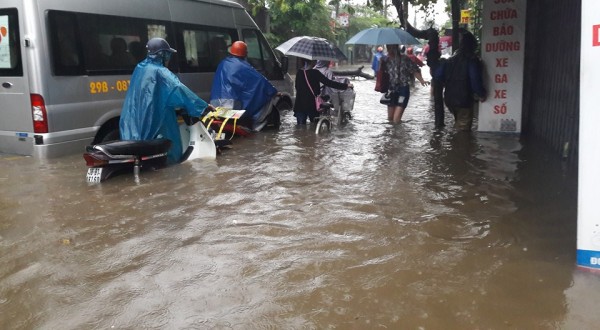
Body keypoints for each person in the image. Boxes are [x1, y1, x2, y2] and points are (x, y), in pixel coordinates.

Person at [119, 38, 214, 165]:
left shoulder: (140, 67)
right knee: (170, 155)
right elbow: (179, 89)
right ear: (163, 55)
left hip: (132, 123)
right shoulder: (161, 71)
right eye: (168, 55)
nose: (169, 59)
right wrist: (203, 106)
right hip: (155, 121)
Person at [210, 41, 279, 130]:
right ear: (244, 53)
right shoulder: (243, 66)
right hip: (232, 105)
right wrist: (273, 91)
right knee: (263, 102)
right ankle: (255, 128)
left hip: (214, 103)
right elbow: (260, 80)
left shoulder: (222, 63)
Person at [434, 31, 486, 131]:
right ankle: (458, 145)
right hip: (464, 99)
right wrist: (481, 94)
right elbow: (475, 79)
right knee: (463, 130)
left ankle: (451, 143)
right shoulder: (472, 60)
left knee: (459, 121)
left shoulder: (450, 60)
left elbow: (437, 76)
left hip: (449, 98)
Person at [379, 44, 429, 124]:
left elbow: (414, 70)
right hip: (391, 90)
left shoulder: (405, 58)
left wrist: (422, 81)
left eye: (391, 47)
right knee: (390, 119)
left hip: (403, 89)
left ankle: (399, 132)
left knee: (396, 120)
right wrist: (381, 64)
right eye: (388, 47)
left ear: (395, 48)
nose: (389, 50)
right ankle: (393, 135)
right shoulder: (385, 60)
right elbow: (381, 74)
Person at [293, 59, 353, 125]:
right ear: (312, 62)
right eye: (315, 61)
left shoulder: (299, 72)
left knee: (300, 128)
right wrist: (346, 85)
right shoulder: (315, 72)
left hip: (299, 105)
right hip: (312, 105)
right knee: (314, 127)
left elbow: (297, 87)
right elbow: (329, 83)